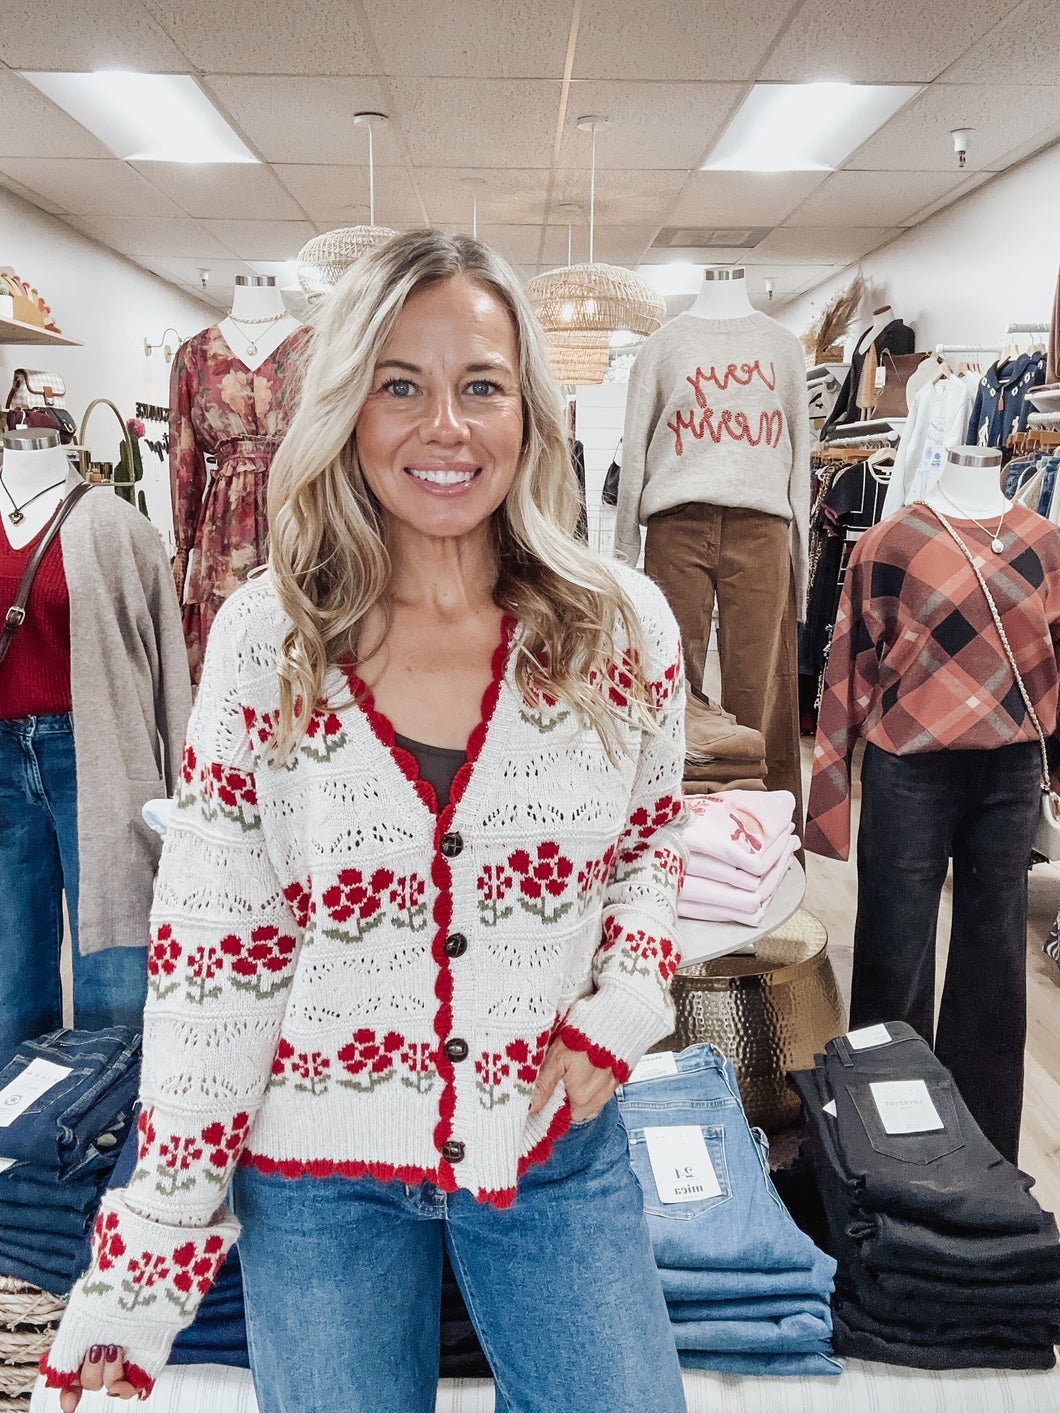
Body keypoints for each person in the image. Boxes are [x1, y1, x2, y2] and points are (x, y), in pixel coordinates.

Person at [42, 231, 689, 1413]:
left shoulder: (619, 628)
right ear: (347, 408)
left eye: (480, 385)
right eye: (401, 385)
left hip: (548, 1143)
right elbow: (212, 959)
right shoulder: (267, 643)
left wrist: (627, 1004)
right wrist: (143, 1262)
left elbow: (649, 846)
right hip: (318, 1176)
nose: (445, 425)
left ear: (530, 412)